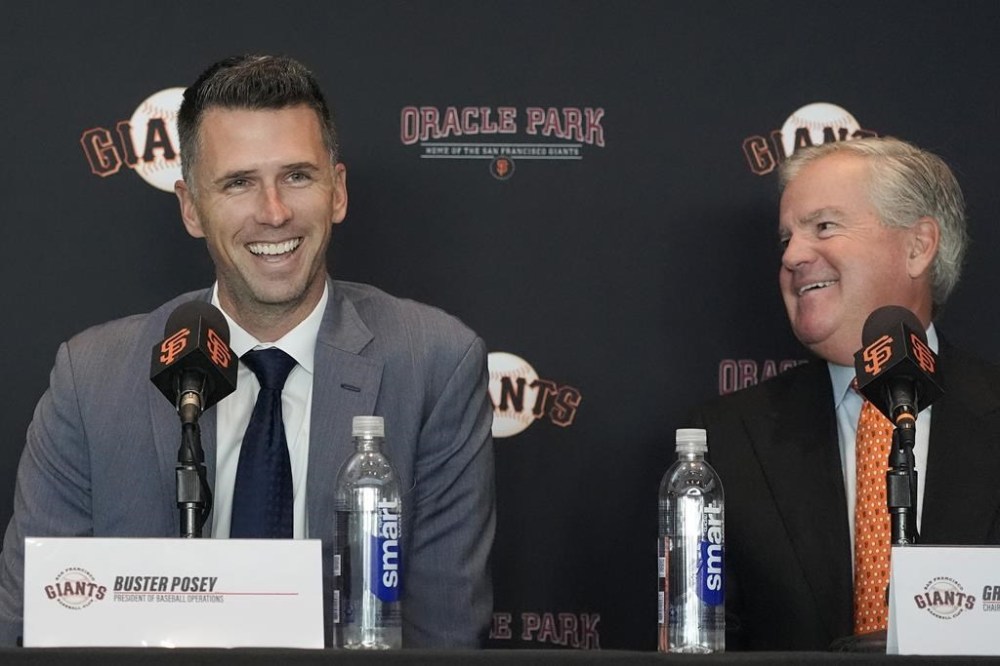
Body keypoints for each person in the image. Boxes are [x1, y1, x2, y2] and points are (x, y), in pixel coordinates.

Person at [0, 54, 495, 647]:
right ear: (191, 207)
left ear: (337, 192)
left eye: (298, 176)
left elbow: (444, 636)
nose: (274, 212)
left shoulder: (436, 365)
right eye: (238, 183)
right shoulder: (91, 380)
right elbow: (29, 627)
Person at [689, 137, 1000, 650]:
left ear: (918, 246)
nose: (792, 256)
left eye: (824, 227)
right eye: (786, 239)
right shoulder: (723, 442)